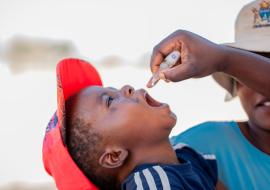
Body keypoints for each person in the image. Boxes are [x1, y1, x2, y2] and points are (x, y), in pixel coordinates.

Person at [43, 58, 222, 190]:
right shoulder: (150, 184)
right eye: (110, 101)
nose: (127, 88)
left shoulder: (186, 154)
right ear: (114, 156)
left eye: (115, 90)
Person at [148, 1, 270, 190]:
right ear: (235, 82)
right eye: (249, 70)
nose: (260, 83)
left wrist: (224, 58)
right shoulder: (195, 148)